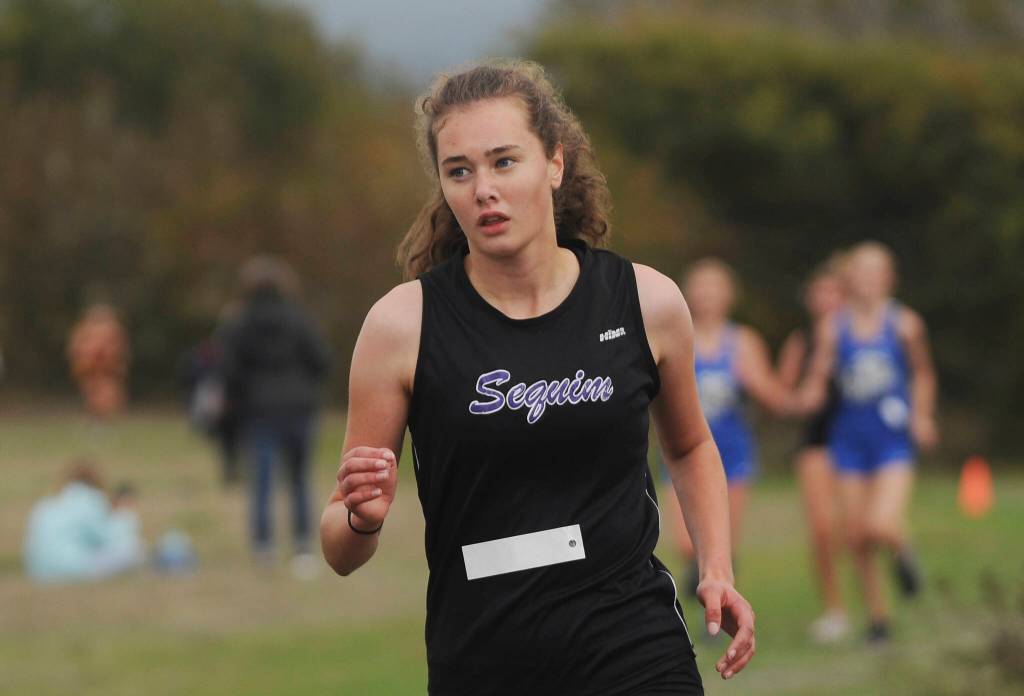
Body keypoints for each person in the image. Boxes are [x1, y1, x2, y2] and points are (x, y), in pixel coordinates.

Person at [320, 61, 755, 694]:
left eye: (504, 162)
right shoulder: (402, 326)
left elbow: (688, 447)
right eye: (459, 171)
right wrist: (362, 517)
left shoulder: (645, 302)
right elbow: (339, 548)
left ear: (554, 163)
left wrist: (716, 566)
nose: (483, 189)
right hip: (485, 660)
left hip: (634, 645)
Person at [799, 241, 938, 644]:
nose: (867, 280)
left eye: (875, 272)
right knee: (857, 535)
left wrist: (922, 414)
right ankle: (879, 620)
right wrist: (809, 393)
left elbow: (923, 373)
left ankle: (903, 548)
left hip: (891, 440)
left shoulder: (905, 324)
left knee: (880, 524)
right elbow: (820, 373)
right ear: (849, 279)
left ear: (889, 278)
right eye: (859, 272)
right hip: (848, 441)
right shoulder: (833, 326)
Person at [659, 259, 795, 597]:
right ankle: (700, 576)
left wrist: (752, 380)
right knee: (686, 542)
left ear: (729, 295)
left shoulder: (743, 342)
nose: (707, 295)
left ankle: (719, 603)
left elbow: (774, 399)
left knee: (722, 543)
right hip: (681, 449)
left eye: (714, 288)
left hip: (731, 453)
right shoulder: (676, 334)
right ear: (688, 293)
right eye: (701, 287)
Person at [221, 256, 329, 575]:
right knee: (299, 479)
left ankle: (264, 548)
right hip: (298, 409)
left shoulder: (238, 324)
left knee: (262, 481)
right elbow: (321, 360)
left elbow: (229, 371)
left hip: (259, 411)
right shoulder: (300, 319)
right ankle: (303, 548)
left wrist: (240, 400)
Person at [777, 256, 848, 643]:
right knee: (821, 531)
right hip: (816, 443)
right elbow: (784, 395)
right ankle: (834, 610)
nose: (825, 300)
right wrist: (801, 400)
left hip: (856, 441)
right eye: (819, 293)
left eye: (833, 293)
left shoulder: (859, 337)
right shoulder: (801, 342)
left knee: (856, 528)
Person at [24, 461, 145, 583]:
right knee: (133, 549)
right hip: (73, 568)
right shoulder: (92, 501)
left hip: (39, 571)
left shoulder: (45, 505)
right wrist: (125, 516)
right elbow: (106, 538)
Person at [67, 303, 130, 417]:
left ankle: (103, 413)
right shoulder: (86, 329)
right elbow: (76, 348)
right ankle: (98, 413)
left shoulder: (110, 329)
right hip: (91, 365)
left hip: (104, 366)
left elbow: (118, 348)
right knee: (94, 390)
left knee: (105, 389)